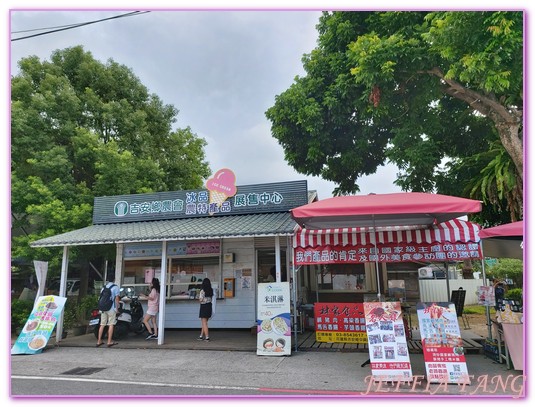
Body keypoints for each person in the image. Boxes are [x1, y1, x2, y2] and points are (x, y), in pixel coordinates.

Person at [96, 274, 121, 348]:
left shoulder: (104, 287)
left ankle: (99, 341)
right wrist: (117, 309)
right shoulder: (115, 287)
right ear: (114, 279)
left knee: (102, 324)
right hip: (111, 308)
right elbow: (117, 299)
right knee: (111, 324)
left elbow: (100, 297)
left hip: (103, 308)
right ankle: (109, 341)